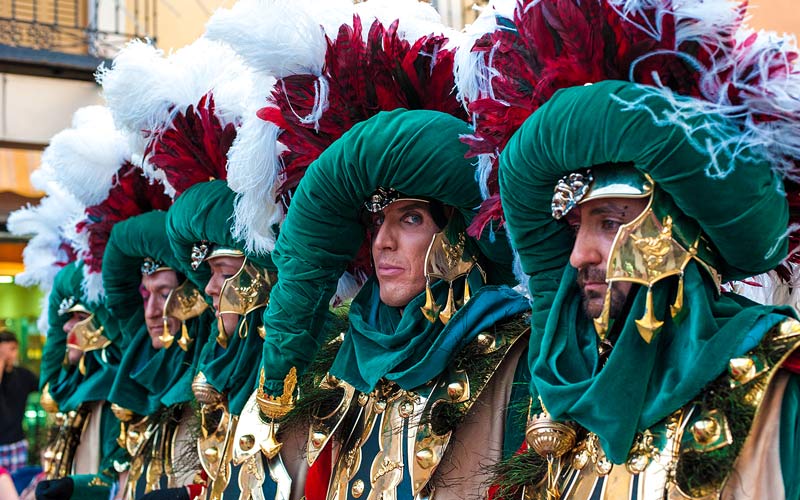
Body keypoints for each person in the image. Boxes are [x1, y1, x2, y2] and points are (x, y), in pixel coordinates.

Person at [257, 109, 531, 500]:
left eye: (411, 219)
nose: (383, 241)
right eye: (378, 222)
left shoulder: (519, 355)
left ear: (456, 235)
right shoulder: (342, 354)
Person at [102, 210, 211, 499]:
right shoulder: (140, 364)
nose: (150, 312)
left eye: (164, 294)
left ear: (195, 300)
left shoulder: (212, 381)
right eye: (146, 294)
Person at [0, 331, 38, 474]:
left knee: (18, 488)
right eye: (8, 350)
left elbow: (46, 388)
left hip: (17, 443)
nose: (12, 355)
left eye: (13, 349)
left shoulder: (23, 375)